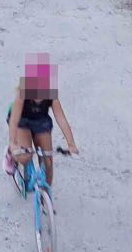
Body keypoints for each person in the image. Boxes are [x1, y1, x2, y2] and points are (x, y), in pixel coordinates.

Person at [5, 53, 79, 189]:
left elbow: (61, 120)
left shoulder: (52, 95)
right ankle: (10, 154)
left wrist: (71, 144)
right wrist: (13, 142)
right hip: (22, 121)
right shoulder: (22, 94)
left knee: (48, 163)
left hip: (41, 121)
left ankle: (46, 198)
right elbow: (14, 120)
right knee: (25, 156)